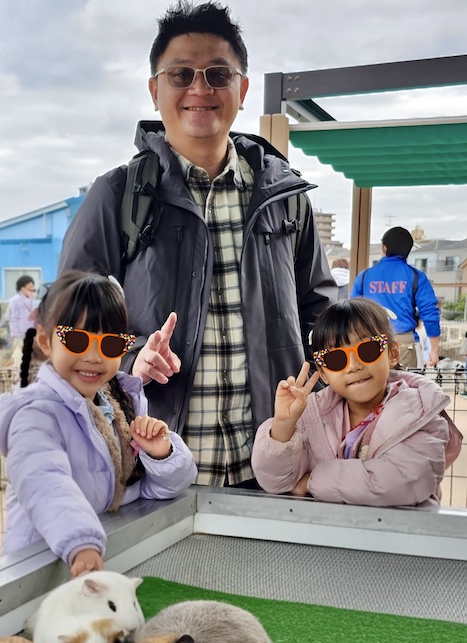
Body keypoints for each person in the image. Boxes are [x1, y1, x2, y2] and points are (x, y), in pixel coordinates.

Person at [58, 1, 335, 488]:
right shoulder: (118, 196)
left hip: (274, 466)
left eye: (218, 74)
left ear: (242, 89)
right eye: (181, 74)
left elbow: (320, 314)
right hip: (154, 466)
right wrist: (129, 359)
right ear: (155, 89)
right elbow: (68, 321)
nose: (200, 89)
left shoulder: (285, 198)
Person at [0, 270, 197, 576]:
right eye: (76, 340)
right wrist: (82, 543)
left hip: (96, 563)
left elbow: (150, 491)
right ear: (47, 343)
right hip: (40, 573)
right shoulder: (35, 415)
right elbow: (45, 483)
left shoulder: (123, 403)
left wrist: (162, 455)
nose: (93, 356)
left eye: (110, 345)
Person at [251, 298, 462, 507]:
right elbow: (276, 481)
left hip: (398, 535)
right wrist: (283, 425)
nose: (353, 365)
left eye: (368, 350)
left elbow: (403, 481)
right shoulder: (311, 415)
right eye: (336, 359)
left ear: (393, 353)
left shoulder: (421, 411)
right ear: (323, 372)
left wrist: (312, 481)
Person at [350, 226, 440, 370]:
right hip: (403, 342)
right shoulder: (416, 277)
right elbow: (430, 312)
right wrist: (433, 349)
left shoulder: (365, 276)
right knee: (402, 388)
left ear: (384, 248)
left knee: (371, 388)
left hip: (368, 340)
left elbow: (352, 309)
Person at [5, 275, 37, 366]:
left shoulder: (31, 300)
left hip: (30, 334)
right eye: (29, 288)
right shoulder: (15, 301)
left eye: (32, 287)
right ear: (22, 288)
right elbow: (12, 319)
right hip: (19, 335)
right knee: (18, 358)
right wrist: (15, 334)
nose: (32, 290)